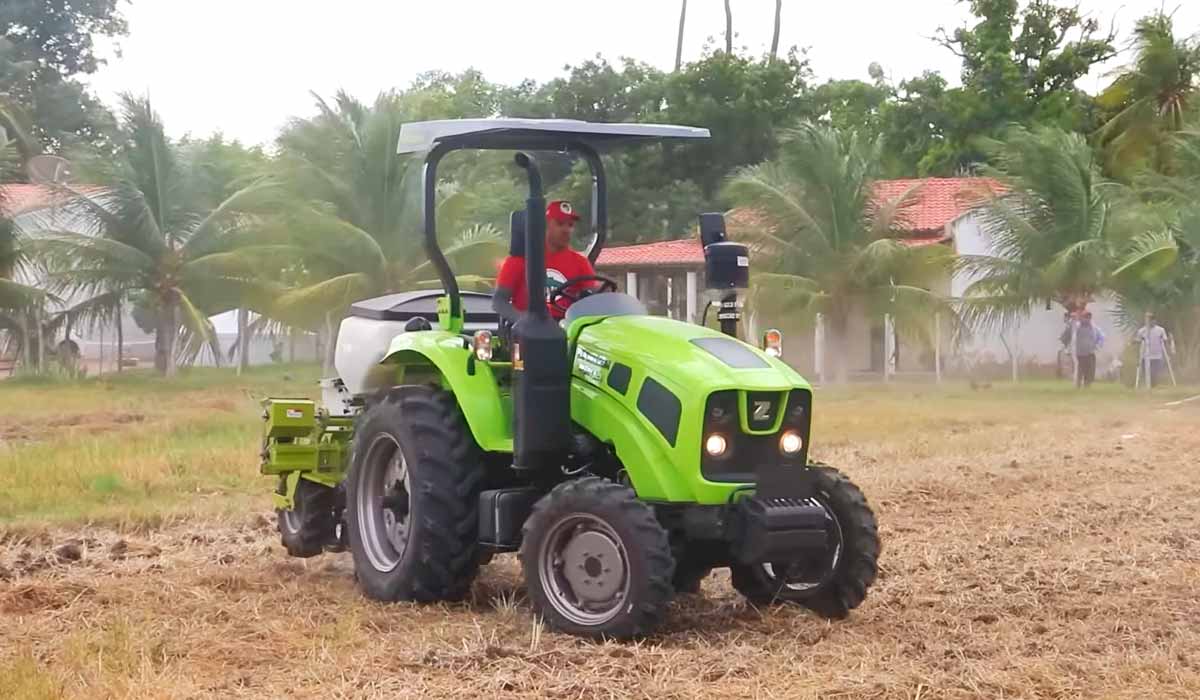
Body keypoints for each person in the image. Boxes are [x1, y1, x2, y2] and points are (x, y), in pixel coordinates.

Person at [493, 200, 596, 324]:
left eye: (570, 225)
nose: (566, 230)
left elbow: (592, 298)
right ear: (545, 226)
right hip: (529, 331)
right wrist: (523, 321)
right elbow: (499, 301)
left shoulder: (580, 262)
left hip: (566, 329)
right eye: (560, 224)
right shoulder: (520, 259)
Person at [1059, 311, 1104, 387]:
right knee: (1080, 371)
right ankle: (1078, 386)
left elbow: (1101, 337)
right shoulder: (1077, 326)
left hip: (1090, 353)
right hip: (1080, 354)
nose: (1087, 319)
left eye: (1089, 317)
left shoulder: (1094, 328)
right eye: (1085, 317)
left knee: (1090, 371)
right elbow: (1068, 332)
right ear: (1082, 318)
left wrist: (1098, 346)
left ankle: (1087, 386)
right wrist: (1072, 319)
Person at [1135, 311, 1172, 387]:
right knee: (1145, 374)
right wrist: (1134, 341)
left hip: (1157, 356)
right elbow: (1138, 341)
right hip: (1145, 356)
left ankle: (1153, 386)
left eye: (1152, 320)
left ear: (1155, 320)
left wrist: (1169, 353)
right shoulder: (1142, 331)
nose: (1151, 322)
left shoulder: (1160, 330)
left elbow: (1165, 341)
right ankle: (1148, 387)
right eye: (1149, 320)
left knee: (1154, 373)